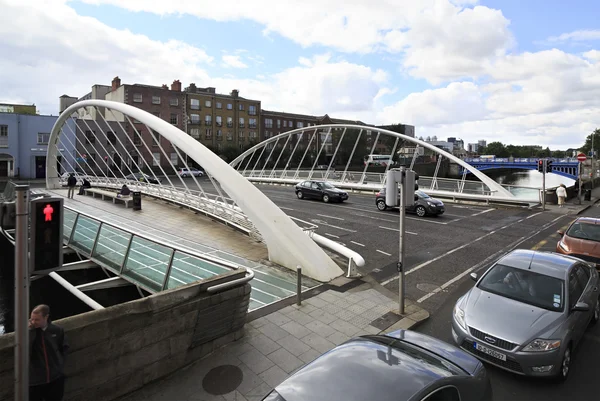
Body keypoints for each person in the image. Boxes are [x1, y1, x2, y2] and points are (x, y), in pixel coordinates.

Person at [29, 304, 68, 401]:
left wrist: (59, 366)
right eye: (31, 319)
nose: (33, 322)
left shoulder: (57, 330)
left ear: (46, 317)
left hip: (56, 379)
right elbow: (24, 349)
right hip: (35, 382)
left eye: (37, 319)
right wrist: (30, 331)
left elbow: (64, 348)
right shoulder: (29, 332)